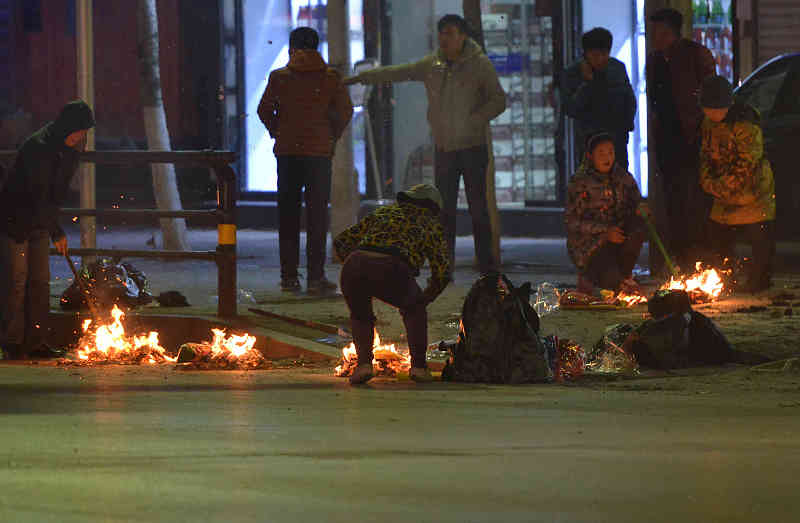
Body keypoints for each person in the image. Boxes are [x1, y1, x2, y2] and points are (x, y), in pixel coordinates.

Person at [345, 14, 506, 276]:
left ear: (463, 36)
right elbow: (401, 72)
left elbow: (498, 100)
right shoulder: (433, 64)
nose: (445, 38)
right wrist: (363, 78)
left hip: (473, 147)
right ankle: (444, 267)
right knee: (444, 212)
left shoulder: (480, 65)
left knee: (478, 210)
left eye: (450, 33)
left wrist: (475, 119)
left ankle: (487, 267)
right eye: (442, 33)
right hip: (444, 148)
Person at [258, 27, 353, 294]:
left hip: (287, 153)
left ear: (292, 48)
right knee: (317, 216)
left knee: (288, 215)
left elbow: (263, 109)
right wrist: (330, 135)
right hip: (318, 155)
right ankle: (315, 278)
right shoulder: (331, 78)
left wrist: (278, 130)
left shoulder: (280, 78)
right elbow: (345, 111)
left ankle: (289, 277)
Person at [0, 100, 95, 360]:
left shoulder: (70, 150)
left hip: (41, 222)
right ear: (68, 127)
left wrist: (51, 226)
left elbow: (56, 193)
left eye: (84, 133)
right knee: (16, 282)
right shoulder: (38, 148)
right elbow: (38, 194)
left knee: (40, 282)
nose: (81, 137)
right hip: (15, 220)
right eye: (78, 132)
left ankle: (36, 340)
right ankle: (12, 343)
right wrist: (57, 232)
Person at [333, 184, 450, 385]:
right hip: (393, 267)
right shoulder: (430, 222)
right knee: (415, 310)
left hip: (354, 264)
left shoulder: (385, 212)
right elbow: (442, 272)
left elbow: (341, 241)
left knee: (361, 315)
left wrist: (359, 270)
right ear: (434, 208)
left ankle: (363, 366)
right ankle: (419, 368)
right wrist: (424, 299)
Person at [646, 8, 716, 270]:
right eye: (654, 32)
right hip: (667, 140)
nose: (656, 37)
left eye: (661, 32)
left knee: (697, 199)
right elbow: (655, 101)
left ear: (672, 32)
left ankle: (703, 255)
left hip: (693, 136)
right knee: (673, 199)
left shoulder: (694, 54)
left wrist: (702, 128)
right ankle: (681, 257)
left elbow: (711, 92)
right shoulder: (654, 61)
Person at [698, 75, 776, 293]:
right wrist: (709, 182)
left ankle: (759, 281)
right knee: (719, 238)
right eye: (708, 109)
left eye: (717, 109)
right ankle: (725, 278)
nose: (712, 114)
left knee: (759, 238)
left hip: (753, 192)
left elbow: (746, 164)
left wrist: (723, 187)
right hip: (721, 192)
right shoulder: (708, 124)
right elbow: (705, 156)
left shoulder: (746, 124)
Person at [565, 132, 646, 295]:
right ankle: (591, 278)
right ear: (590, 156)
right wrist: (604, 233)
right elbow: (572, 221)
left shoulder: (622, 177)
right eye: (601, 153)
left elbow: (636, 200)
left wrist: (642, 207)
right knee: (610, 284)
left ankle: (624, 275)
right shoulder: (580, 182)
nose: (607, 157)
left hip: (618, 238)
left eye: (610, 152)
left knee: (637, 225)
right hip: (590, 245)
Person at [561, 27, 637, 168]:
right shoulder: (572, 74)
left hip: (616, 142)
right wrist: (587, 83)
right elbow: (570, 108)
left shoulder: (617, 68)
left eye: (604, 54)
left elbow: (630, 100)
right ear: (586, 54)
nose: (601, 59)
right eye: (595, 55)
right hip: (589, 144)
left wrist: (626, 127)